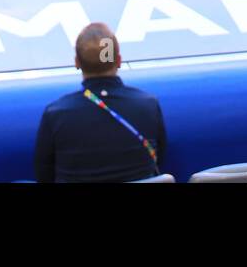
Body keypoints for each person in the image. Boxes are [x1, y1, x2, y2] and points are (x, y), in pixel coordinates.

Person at [33, 23, 168, 183]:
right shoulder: (149, 105)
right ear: (118, 60)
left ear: (77, 62)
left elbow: (44, 175)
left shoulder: (55, 114)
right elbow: (159, 159)